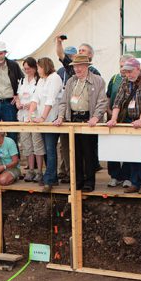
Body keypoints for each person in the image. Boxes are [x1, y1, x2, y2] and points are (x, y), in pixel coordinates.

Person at [53, 54, 107, 192]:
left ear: (86, 66)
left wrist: (95, 117)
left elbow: (102, 102)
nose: (77, 69)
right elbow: (64, 101)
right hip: (73, 119)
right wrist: (60, 116)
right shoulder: (71, 81)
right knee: (75, 152)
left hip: (88, 119)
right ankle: (78, 181)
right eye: (75, 66)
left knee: (89, 153)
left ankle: (89, 181)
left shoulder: (98, 80)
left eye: (80, 66)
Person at [106, 57, 141, 194]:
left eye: (130, 71)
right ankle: (134, 181)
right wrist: (113, 119)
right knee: (131, 153)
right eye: (126, 72)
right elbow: (118, 101)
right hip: (129, 120)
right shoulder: (125, 81)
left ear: (137, 69)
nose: (128, 74)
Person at [30, 56, 64, 192]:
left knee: (50, 149)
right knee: (45, 149)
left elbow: (50, 99)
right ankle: (51, 176)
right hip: (42, 120)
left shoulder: (54, 78)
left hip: (51, 120)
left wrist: (43, 117)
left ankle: (49, 178)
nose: (37, 70)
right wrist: (30, 115)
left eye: (38, 67)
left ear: (44, 67)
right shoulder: (41, 81)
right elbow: (35, 98)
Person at [16, 56, 45, 182]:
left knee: (37, 143)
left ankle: (39, 171)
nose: (27, 71)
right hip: (23, 116)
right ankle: (30, 170)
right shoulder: (22, 81)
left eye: (29, 68)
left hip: (35, 115)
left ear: (34, 68)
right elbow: (18, 95)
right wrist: (18, 103)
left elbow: (40, 98)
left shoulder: (39, 81)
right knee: (26, 144)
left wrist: (30, 105)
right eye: (25, 69)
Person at [106, 55, 133, 188]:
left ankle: (128, 176)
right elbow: (108, 96)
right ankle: (115, 175)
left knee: (128, 148)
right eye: (121, 66)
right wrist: (109, 111)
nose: (122, 69)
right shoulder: (115, 79)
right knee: (113, 148)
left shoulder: (134, 80)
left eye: (125, 66)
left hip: (128, 118)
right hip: (113, 118)